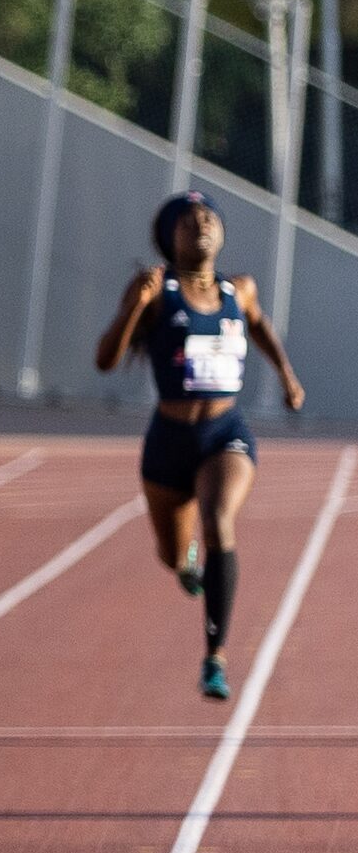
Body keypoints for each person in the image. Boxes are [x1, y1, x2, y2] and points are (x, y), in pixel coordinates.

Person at [93, 191, 306, 702]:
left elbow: (260, 328)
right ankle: (186, 562)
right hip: (168, 443)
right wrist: (134, 309)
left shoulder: (242, 290)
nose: (202, 224)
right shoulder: (156, 291)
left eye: (209, 217)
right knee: (173, 558)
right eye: (188, 221)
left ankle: (215, 656)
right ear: (170, 239)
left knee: (218, 522)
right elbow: (105, 359)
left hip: (224, 434)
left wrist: (287, 376)